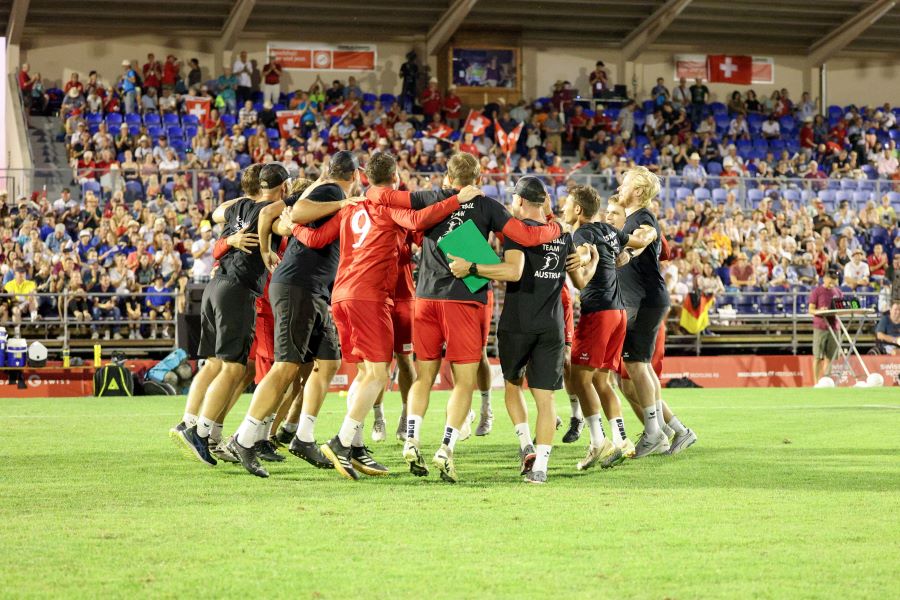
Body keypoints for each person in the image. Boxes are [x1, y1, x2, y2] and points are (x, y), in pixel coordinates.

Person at [291, 153, 480, 481]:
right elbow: (419, 221)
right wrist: (457, 198)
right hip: (370, 296)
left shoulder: (349, 207)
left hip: (341, 295)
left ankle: (355, 445)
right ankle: (343, 442)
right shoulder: (387, 207)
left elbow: (316, 237)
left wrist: (292, 225)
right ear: (394, 177)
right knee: (379, 374)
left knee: (365, 373)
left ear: (365, 176)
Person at [400, 152, 561, 484]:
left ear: (448, 177)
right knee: (464, 381)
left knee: (423, 376)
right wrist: (557, 226)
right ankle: (445, 448)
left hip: (426, 296)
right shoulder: (488, 206)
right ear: (478, 178)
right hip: (464, 300)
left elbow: (403, 219)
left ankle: (411, 437)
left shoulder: (431, 199)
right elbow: (526, 235)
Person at [445, 177, 579, 484]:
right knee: (546, 400)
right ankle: (541, 467)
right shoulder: (562, 233)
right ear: (542, 202)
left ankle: (526, 446)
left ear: (519, 201)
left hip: (518, 324)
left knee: (512, 386)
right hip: (552, 325)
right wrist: (590, 256)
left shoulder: (518, 233)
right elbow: (580, 280)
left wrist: (472, 268)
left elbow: (512, 271)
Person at [241, 152, 361, 476]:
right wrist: (340, 205)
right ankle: (245, 437)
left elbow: (272, 214)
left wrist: (269, 247)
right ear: (355, 174)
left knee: (328, 361)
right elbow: (295, 212)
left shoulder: (319, 190)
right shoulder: (332, 192)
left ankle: (303, 437)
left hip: (313, 289)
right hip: (298, 286)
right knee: (285, 367)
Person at [172, 163, 290, 468]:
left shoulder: (237, 206)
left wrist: (229, 240)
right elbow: (282, 225)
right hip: (238, 290)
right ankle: (199, 430)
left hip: (214, 286)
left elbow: (216, 213)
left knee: (219, 364)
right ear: (284, 188)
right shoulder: (273, 212)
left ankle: (203, 430)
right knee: (234, 370)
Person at [562, 186, 654, 469]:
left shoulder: (582, 234)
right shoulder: (609, 230)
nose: (563, 209)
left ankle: (597, 440)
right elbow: (638, 242)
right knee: (601, 381)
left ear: (578, 210)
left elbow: (585, 254)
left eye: (567, 205)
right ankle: (621, 439)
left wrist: (587, 259)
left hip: (598, 313)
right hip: (618, 313)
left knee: (578, 378)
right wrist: (650, 232)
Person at [615, 167, 674, 457]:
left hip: (644, 300)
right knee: (641, 365)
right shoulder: (632, 218)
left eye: (625, 182)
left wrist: (632, 249)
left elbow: (646, 235)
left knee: (636, 366)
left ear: (638, 190)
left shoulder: (642, 217)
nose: (620, 185)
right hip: (645, 299)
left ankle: (654, 433)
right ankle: (663, 430)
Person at [809, 269, 843, 383]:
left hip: (834, 326)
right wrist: (820, 310)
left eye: (835, 279)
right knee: (818, 356)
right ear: (825, 278)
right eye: (831, 278)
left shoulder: (838, 292)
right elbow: (811, 310)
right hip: (821, 327)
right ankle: (816, 382)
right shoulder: (817, 291)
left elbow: (841, 308)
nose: (833, 281)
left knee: (830, 357)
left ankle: (826, 381)